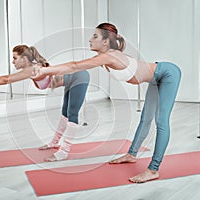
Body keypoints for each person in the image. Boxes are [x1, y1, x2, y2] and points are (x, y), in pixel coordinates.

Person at [31, 22, 181, 183]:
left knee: (161, 121)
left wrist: (45, 70)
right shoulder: (104, 57)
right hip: (155, 78)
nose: (90, 39)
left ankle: (153, 170)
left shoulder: (110, 56)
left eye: (95, 36)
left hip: (167, 74)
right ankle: (132, 154)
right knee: (145, 119)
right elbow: (73, 66)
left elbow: (74, 66)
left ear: (105, 41)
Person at [0, 44, 90, 162]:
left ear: (24, 59)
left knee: (72, 114)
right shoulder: (33, 68)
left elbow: (6, 79)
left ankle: (64, 152)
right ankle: (54, 143)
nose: (13, 61)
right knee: (64, 113)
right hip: (72, 80)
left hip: (80, 76)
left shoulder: (31, 69)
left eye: (15, 58)